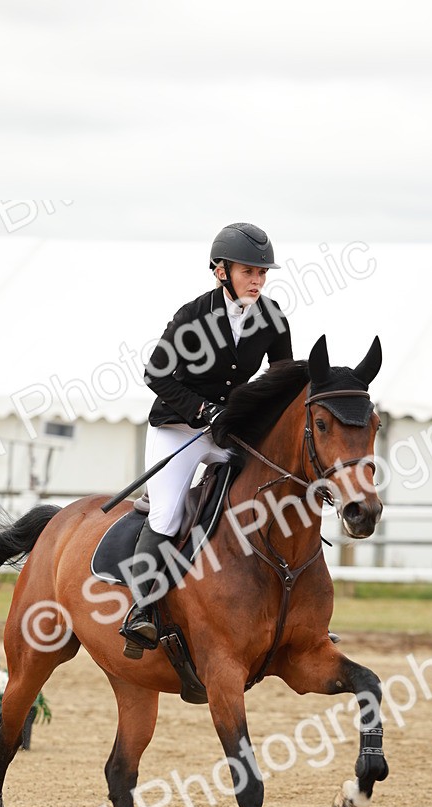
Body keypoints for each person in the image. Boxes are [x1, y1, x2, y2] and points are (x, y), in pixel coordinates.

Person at [121, 222, 293, 657]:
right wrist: (203, 410)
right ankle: (140, 611)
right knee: (166, 515)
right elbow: (156, 374)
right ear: (221, 272)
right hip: (178, 429)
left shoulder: (273, 318)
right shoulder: (192, 316)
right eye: (248, 272)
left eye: (262, 273)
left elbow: (281, 379)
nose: (257, 280)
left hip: (227, 431)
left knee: (271, 491)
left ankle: (290, 611)